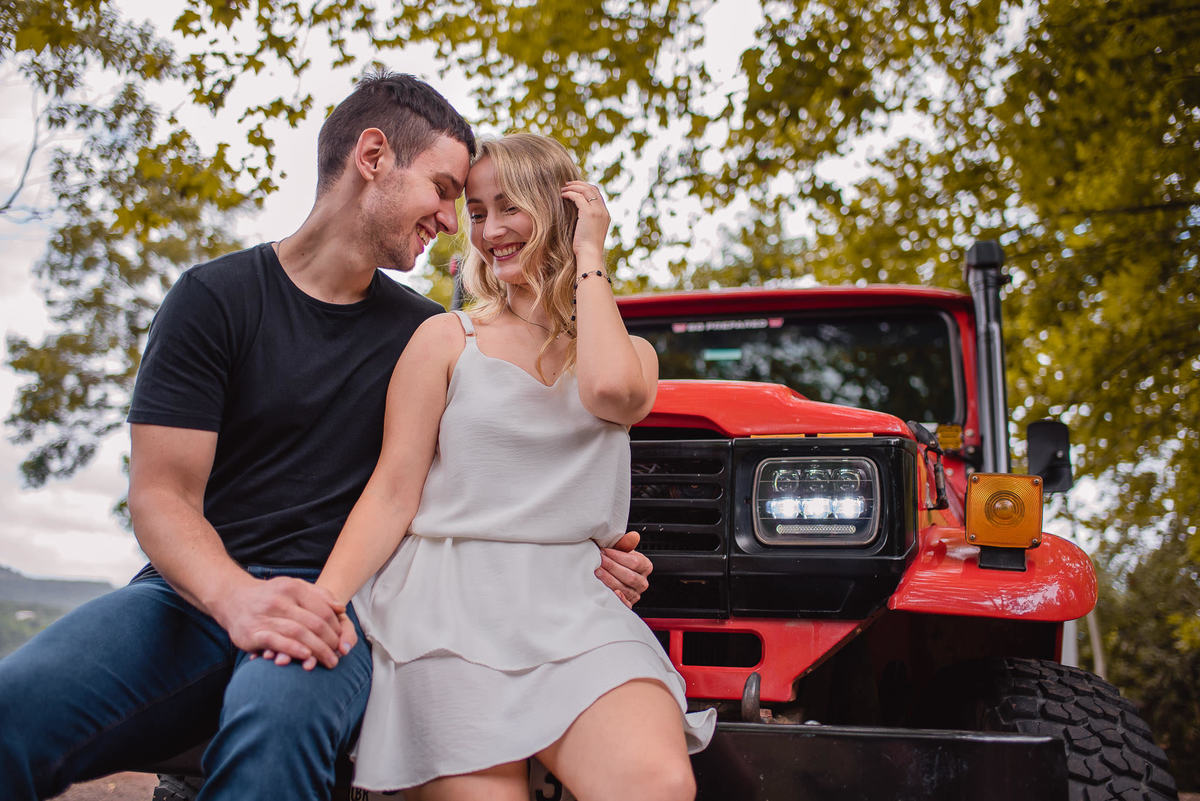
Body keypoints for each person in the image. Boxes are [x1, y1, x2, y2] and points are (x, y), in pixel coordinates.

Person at [0, 73, 653, 801]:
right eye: (443, 190)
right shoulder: (214, 299)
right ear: (373, 156)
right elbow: (160, 495)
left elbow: (504, 479)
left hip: (343, 610)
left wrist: (581, 557)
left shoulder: (430, 336)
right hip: (190, 598)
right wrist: (239, 599)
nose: (454, 219)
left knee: (274, 731)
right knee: (15, 705)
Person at [309, 133, 715, 800]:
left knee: (658, 783)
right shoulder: (446, 338)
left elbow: (609, 391)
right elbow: (391, 492)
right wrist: (322, 603)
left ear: (560, 210)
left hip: (577, 606)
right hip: (447, 608)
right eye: (476, 211)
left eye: (510, 207)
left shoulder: (630, 352)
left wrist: (589, 250)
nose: (491, 230)